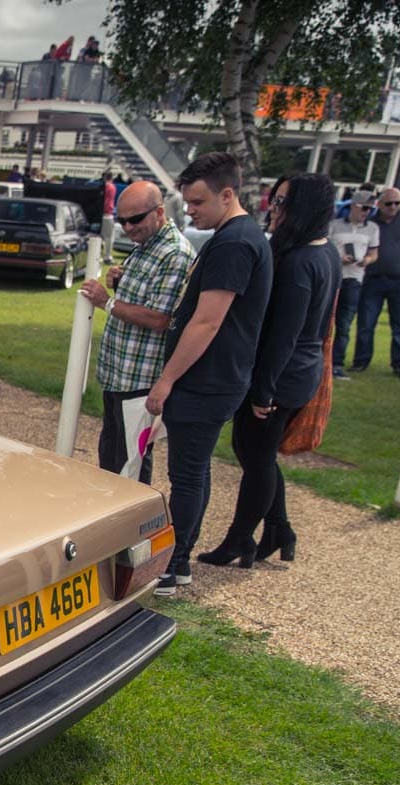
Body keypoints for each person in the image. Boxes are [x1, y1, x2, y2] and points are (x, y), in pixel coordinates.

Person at [146, 151, 274, 595]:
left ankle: (174, 562)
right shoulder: (236, 236)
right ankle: (178, 559)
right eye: (187, 202)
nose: (191, 211)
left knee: (186, 475)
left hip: (207, 380)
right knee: (193, 472)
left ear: (227, 194)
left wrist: (166, 380)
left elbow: (207, 321)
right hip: (216, 377)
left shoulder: (235, 243)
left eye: (198, 202)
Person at [198, 173, 341, 569]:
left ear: (303, 208)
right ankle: (278, 528)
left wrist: (264, 390)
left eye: (281, 203)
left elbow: (284, 336)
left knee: (256, 456)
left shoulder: (300, 262)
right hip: (298, 369)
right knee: (253, 452)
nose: (273, 210)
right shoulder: (324, 250)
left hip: (283, 374)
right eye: (273, 200)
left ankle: (240, 538)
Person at [79, 180, 194, 484]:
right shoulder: (147, 245)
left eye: (135, 219)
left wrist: (106, 301)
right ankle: (108, 507)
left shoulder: (174, 253)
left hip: (140, 379)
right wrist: (121, 280)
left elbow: (160, 318)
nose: (128, 227)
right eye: (122, 221)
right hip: (120, 372)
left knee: (131, 464)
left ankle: (132, 513)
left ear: (159, 212)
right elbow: (144, 297)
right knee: (112, 454)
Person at [351, 187, 400, 377]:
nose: (393, 206)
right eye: (388, 203)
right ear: (379, 204)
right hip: (373, 280)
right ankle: (361, 361)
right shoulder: (370, 221)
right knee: (366, 323)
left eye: (397, 203)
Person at [328, 190, 379, 377]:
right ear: (353, 206)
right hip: (333, 278)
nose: (367, 212)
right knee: (324, 322)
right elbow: (326, 249)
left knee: (344, 324)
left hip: (354, 279)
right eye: (364, 207)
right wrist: (339, 259)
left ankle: (337, 363)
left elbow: (374, 253)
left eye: (370, 209)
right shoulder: (334, 225)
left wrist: (367, 260)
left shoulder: (372, 228)